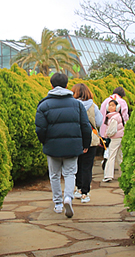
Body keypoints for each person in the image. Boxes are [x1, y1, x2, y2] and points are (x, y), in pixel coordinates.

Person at [34, 72, 92, 217]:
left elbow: (40, 128)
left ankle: (58, 203)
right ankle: (68, 197)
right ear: (67, 86)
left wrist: (44, 142)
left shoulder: (44, 104)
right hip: (73, 146)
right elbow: (85, 126)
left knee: (54, 175)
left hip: (52, 147)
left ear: (51, 85)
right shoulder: (77, 104)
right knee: (70, 173)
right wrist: (86, 143)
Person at [72, 83, 103, 203]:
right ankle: (85, 193)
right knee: (87, 167)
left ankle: (78, 188)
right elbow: (99, 122)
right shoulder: (93, 106)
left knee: (76, 165)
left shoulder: (72, 105)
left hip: (76, 139)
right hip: (91, 140)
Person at [99, 87, 128, 181]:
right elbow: (125, 116)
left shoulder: (106, 101)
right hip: (121, 134)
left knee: (110, 153)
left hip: (112, 135)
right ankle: (124, 173)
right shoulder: (122, 103)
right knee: (120, 155)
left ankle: (108, 175)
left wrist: (106, 134)